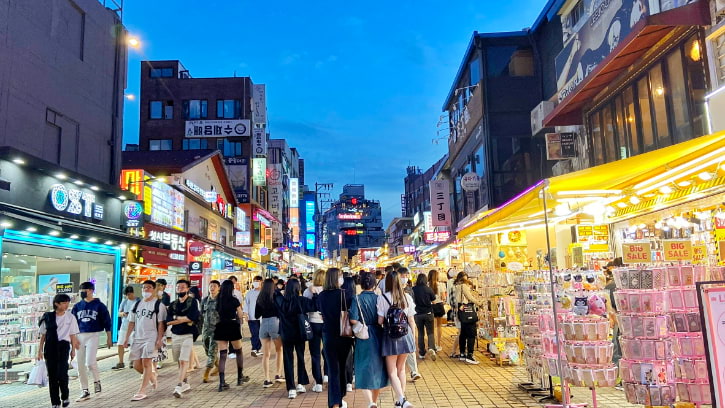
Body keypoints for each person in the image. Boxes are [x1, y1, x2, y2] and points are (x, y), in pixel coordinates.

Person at [377, 269, 416, 408]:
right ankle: (401, 401)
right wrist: (414, 338)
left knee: (392, 371)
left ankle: (401, 399)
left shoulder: (383, 298)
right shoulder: (407, 297)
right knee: (401, 369)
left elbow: (380, 321)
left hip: (390, 337)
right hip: (406, 335)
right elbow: (411, 320)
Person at [122, 280, 167, 401]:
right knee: (137, 365)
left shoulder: (159, 305)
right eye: (144, 288)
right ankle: (151, 377)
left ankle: (142, 391)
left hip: (151, 337)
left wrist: (159, 339)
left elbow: (161, 324)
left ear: (153, 289)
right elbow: (131, 322)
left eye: (148, 288)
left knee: (146, 362)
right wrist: (126, 338)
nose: (146, 290)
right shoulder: (136, 304)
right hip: (138, 337)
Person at [350, 272, 388, 408]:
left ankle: (370, 402)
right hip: (378, 334)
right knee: (378, 369)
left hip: (363, 337)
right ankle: (375, 401)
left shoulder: (356, 299)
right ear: (374, 284)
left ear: (361, 284)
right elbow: (382, 318)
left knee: (362, 368)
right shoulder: (379, 298)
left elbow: (353, 319)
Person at [317, 268, 354, 408]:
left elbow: (321, 313)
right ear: (336, 278)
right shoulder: (345, 294)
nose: (342, 278)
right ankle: (340, 396)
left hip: (328, 335)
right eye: (340, 276)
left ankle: (335, 402)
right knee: (343, 366)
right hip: (344, 335)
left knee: (333, 369)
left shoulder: (321, 296)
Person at [275, 278, 318, 398]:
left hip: (286, 334)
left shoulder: (281, 301)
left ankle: (291, 389)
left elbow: (274, 294)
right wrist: (314, 293)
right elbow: (315, 306)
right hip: (300, 333)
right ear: (298, 288)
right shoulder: (302, 300)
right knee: (300, 357)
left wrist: (279, 290)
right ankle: (300, 383)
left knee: (288, 360)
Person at [71, 282, 112, 402]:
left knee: (90, 362)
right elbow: (72, 323)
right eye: (81, 290)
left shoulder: (100, 306)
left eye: (84, 290)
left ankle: (96, 380)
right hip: (79, 336)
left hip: (93, 335)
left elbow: (107, 322)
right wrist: (73, 339)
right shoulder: (77, 306)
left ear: (90, 290)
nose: (82, 292)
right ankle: (84, 390)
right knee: (80, 364)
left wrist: (109, 337)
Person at [38, 294, 80, 408]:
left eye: (67, 302)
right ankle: (55, 402)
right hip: (50, 347)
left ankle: (65, 396)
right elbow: (43, 335)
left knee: (62, 374)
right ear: (57, 304)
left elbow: (72, 334)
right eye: (64, 303)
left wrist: (73, 350)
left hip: (63, 346)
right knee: (52, 376)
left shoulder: (70, 317)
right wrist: (39, 351)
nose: (67, 305)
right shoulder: (48, 317)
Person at [165, 279, 200, 398]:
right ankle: (185, 382)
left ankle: (179, 385)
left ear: (187, 289)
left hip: (188, 334)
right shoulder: (173, 304)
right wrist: (182, 318)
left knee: (184, 360)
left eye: (183, 287)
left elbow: (193, 317)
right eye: (178, 287)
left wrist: (177, 319)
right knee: (179, 361)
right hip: (175, 335)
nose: (180, 289)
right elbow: (169, 320)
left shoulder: (193, 302)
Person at [214, 280, 250, 391]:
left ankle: (221, 382)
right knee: (238, 351)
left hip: (220, 326)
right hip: (232, 325)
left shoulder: (218, 300)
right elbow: (240, 314)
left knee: (223, 355)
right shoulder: (234, 300)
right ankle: (240, 377)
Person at [255, 278, 284, 387]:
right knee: (279, 350)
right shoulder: (276, 295)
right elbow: (282, 309)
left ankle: (267, 379)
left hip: (264, 324)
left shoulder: (260, 297)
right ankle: (278, 374)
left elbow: (256, 315)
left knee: (266, 354)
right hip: (275, 322)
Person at [452, 272, 484, 365]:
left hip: (461, 312)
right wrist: (479, 303)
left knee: (463, 333)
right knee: (471, 334)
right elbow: (469, 297)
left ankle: (462, 353)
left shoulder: (456, 286)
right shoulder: (464, 286)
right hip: (468, 312)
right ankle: (470, 355)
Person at [303, 269, 326, 392]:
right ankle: (327, 375)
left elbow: (305, 309)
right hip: (326, 324)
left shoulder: (308, 291)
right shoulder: (328, 290)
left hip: (312, 323)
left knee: (315, 354)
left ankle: (318, 383)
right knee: (328, 351)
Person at [397, 268, 421, 381]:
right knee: (409, 349)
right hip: (404, 327)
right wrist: (413, 331)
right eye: (403, 275)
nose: (405, 278)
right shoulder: (406, 296)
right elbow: (411, 318)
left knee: (406, 351)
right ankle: (411, 371)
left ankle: (413, 371)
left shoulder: (408, 293)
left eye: (407, 275)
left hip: (393, 329)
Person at [113, 286, 138, 370]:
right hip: (124, 325)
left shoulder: (138, 301)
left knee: (133, 344)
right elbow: (118, 313)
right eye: (126, 295)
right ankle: (120, 362)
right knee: (120, 343)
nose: (128, 296)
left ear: (132, 293)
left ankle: (132, 360)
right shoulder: (124, 301)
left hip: (135, 326)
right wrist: (123, 314)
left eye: (129, 294)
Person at [412, 273, 436, 360]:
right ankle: (431, 348)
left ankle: (421, 352)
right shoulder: (429, 289)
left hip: (418, 314)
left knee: (420, 333)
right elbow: (434, 301)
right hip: (428, 313)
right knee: (430, 332)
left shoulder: (413, 289)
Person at [201, 280, 221, 383]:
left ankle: (206, 373)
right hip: (206, 328)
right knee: (206, 348)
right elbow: (201, 314)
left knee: (212, 351)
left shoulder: (221, 300)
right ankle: (218, 366)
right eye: (210, 286)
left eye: (214, 286)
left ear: (219, 288)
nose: (212, 288)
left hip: (217, 329)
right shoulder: (205, 300)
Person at [342, 275, 356, 392]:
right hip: (356, 329)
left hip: (344, 329)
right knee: (354, 353)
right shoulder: (355, 298)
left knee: (346, 355)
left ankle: (347, 381)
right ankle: (352, 377)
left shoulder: (340, 298)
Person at [244, 276, 264, 357]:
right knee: (254, 333)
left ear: (261, 282)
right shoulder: (249, 293)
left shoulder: (264, 293)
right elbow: (246, 304)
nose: (256, 282)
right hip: (252, 317)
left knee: (260, 334)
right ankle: (254, 348)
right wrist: (245, 314)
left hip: (262, 318)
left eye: (258, 281)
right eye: (255, 281)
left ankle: (258, 348)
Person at [428, 269, 446, 351]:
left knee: (433, 327)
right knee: (439, 326)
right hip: (439, 306)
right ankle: (439, 344)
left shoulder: (427, 285)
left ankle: (433, 344)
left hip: (431, 306)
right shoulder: (441, 285)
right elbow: (443, 297)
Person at [155, 278, 171, 370]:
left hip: (162, 321)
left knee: (161, 340)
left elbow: (165, 308)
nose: (158, 287)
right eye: (156, 284)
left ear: (164, 286)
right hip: (153, 322)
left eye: (160, 285)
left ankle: (160, 360)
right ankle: (156, 359)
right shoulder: (153, 295)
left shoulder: (165, 296)